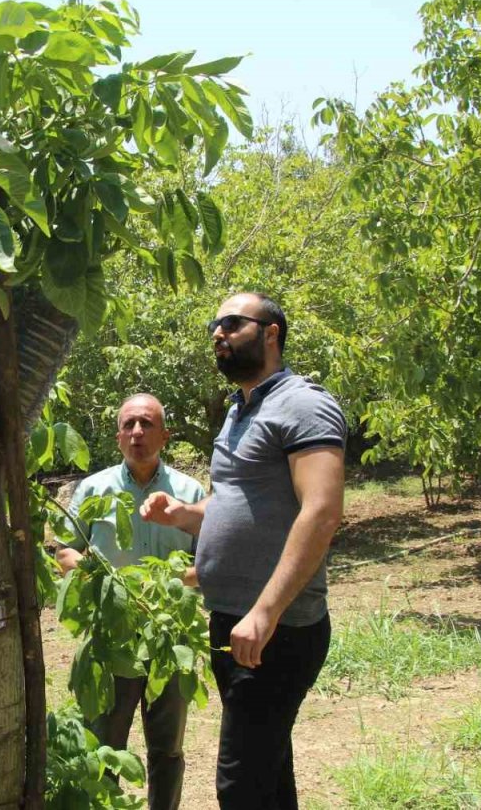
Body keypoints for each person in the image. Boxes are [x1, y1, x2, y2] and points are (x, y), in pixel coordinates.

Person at [141, 293, 346, 810]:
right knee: (268, 776)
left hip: (277, 628)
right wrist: (181, 515)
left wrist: (265, 611)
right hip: (232, 620)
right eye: (215, 325)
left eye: (232, 323)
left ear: (271, 333)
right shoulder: (240, 409)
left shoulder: (303, 404)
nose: (218, 333)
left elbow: (321, 511)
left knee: (241, 786)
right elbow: (234, 503)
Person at [57, 393, 205, 810]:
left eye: (147, 424)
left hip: (170, 636)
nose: (137, 432)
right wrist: (104, 580)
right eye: (129, 425)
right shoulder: (93, 488)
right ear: (118, 436)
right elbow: (64, 552)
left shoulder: (190, 491)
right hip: (111, 637)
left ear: (165, 435)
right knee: (103, 746)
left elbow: (207, 563)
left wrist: (168, 583)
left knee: (167, 749)